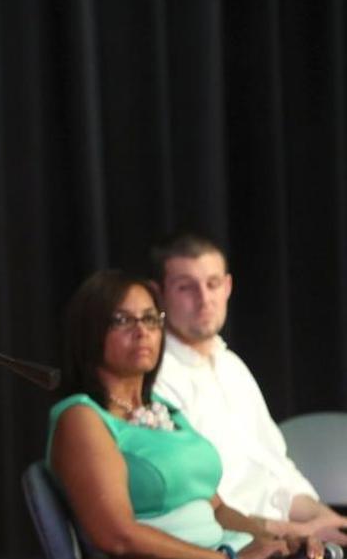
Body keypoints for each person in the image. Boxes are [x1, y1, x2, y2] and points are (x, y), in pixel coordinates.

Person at [48, 270, 322, 559]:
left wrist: (276, 540)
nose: (142, 331)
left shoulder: (164, 409)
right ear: (89, 332)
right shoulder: (81, 417)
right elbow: (118, 536)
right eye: (123, 320)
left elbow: (216, 508)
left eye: (151, 319)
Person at [151, 233, 347, 544]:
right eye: (186, 287)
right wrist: (293, 532)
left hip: (286, 533)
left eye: (213, 284)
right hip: (235, 542)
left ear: (227, 287)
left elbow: (277, 470)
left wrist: (322, 518)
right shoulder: (157, 379)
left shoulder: (232, 367)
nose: (204, 299)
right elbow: (195, 507)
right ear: (160, 295)